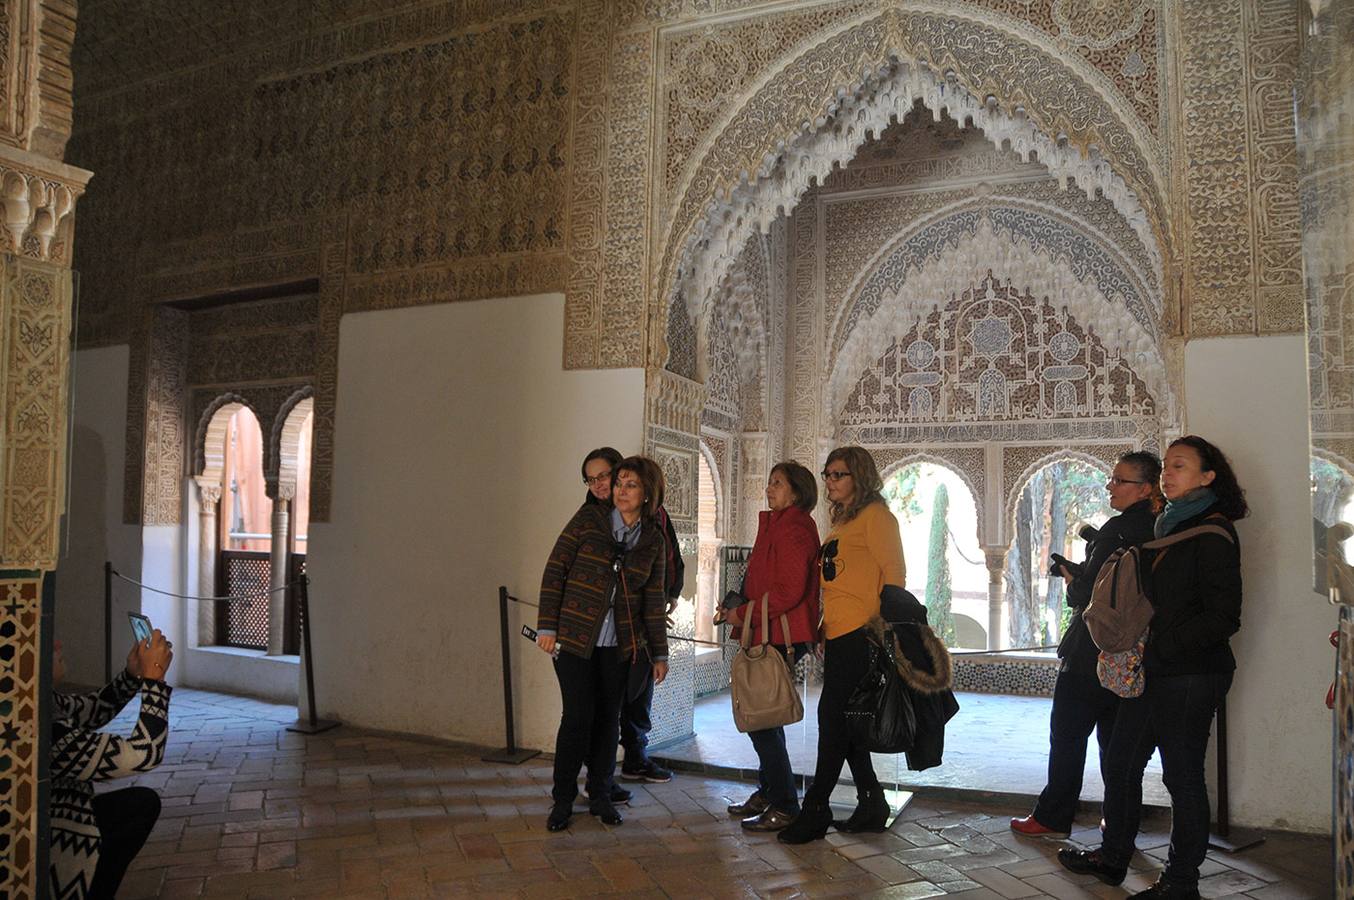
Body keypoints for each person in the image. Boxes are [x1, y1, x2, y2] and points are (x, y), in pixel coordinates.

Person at [1059, 436, 1248, 900]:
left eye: (1180, 466)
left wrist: (1161, 649)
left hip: (1190, 674)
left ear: (1208, 477)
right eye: (1166, 466)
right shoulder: (1167, 526)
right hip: (1155, 670)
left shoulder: (1213, 533)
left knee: (1181, 777)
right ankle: (1112, 855)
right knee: (1121, 760)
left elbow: (1224, 617)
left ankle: (1181, 881)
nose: (1169, 473)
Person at [1012, 451, 1161, 839]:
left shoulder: (1116, 530)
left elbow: (1087, 594)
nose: (1111, 486)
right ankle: (1117, 820)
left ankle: (1053, 815)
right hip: (1133, 653)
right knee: (1116, 746)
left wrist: (1070, 577)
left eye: (1120, 480)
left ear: (1145, 488)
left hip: (1089, 652)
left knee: (1068, 734)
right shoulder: (1161, 527)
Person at [778, 446, 906, 844]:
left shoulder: (877, 517)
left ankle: (816, 807)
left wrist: (879, 630)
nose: (829, 481)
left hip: (861, 636)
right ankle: (872, 803)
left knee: (832, 720)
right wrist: (821, 624)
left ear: (859, 477)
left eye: (838, 475)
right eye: (828, 474)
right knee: (844, 722)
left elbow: (895, 574)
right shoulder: (844, 521)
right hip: (837, 634)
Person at [536, 455, 670, 832]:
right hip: (575, 640)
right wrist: (547, 626)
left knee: (609, 721)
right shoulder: (589, 521)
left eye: (631, 485)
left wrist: (658, 653)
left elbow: (653, 600)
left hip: (621, 646)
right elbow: (555, 570)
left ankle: (599, 796)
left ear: (647, 494)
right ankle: (562, 799)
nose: (621, 491)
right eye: (619, 484)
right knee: (578, 717)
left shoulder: (652, 540)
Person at [719, 461, 821, 832]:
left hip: (780, 635)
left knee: (763, 721)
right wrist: (735, 605)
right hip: (767, 631)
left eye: (777, 484)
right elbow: (760, 580)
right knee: (766, 718)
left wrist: (743, 614)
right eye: (769, 483)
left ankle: (785, 804)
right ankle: (769, 791)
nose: (769, 488)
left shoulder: (794, 528)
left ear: (796, 492)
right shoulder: (777, 524)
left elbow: (788, 592)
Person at [50, 632, 174, 899]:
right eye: (47, 639)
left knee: (140, 804)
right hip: (45, 842)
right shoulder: (42, 732)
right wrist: (154, 680)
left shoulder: (39, 703)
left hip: (57, 818)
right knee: (138, 806)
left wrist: (132, 676)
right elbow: (144, 753)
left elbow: (92, 710)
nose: (58, 643)